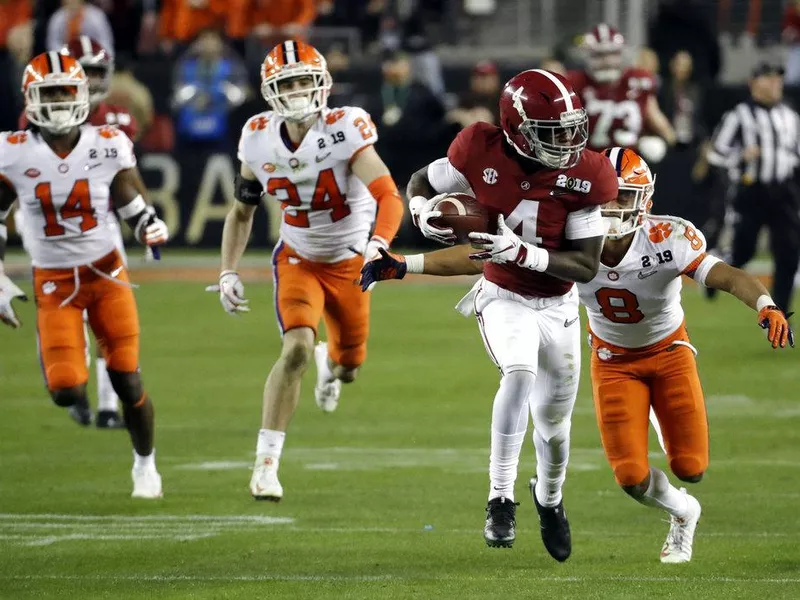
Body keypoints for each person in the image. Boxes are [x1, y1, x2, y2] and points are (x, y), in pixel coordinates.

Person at [360, 69, 618, 560]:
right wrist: (420, 211)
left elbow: (585, 266)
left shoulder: (589, 172)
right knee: (518, 373)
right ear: (516, 127)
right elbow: (421, 179)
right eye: (552, 131)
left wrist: (518, 250)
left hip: (558, 301)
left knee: (555, 427)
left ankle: (550, 498)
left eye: (571, 128)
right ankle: (501, 498)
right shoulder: (479, 147)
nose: (567, 142)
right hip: (503, 295)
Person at [580, 147, 793, 563]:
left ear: (645, 200)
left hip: (669, 353)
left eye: (623, 196)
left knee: (691, 467)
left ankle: (669, 436)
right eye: (605, 194)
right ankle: (683, 512)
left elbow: (728, 276)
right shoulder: (565, 237)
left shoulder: (669, 236)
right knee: (629, 477)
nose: (611, 206)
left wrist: (766, 304)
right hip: (612, 360)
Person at [218, 40, 404, 502]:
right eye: (288, 83)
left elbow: (388, 195)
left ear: (323, 84)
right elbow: (242, 211)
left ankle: (332, 365)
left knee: (349, 368)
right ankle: (265, 465)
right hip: (298, 258)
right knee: (296, 347)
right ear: (270, 91)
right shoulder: (257, 135)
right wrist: (227, 270)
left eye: (304, 81)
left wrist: (378, 244)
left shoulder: (345, 127)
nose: (298, 90)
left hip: (351, 263)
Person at [0, 51, 168, 498]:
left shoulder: (107, 142)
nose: (57, 102)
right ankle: (59, 364)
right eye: (48, 92)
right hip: (53, 282)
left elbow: (128, 196)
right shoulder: (12, 152)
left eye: (64, 91)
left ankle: (145, 465)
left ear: (82, 95)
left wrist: (146, 222)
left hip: (106, 275)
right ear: (30, 99)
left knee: (127, 378)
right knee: (66, 390)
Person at [15, 36, 139, 428]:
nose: (91, 77)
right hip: (50, 228)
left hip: (101, 225)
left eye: (97, 71)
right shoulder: (36, 120)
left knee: (108, 319)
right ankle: (69, 380)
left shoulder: (118, 122)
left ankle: (105, 404)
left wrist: (143, 215)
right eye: (84, 70)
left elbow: (127, 179)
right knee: (60, 310)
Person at [705, 62, 800, 314]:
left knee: (789, 253)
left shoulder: (790, 116)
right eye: (768, 78)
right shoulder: (738, 115)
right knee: (743, 251)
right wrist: (740, 157)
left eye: (778, 79)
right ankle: (716, 271)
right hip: (752, 191)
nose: (775, 84)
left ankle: (780, 313)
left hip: (785, 191)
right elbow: (714, 154)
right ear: (754, 83)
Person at [568, 24, 676, 162]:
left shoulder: (639, 80)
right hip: (589, 163)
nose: (607, 61)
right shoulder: (575, 83)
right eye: (599, 55)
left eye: (612, 54)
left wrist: (672, 142)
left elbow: (654, 116)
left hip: (629, 164)